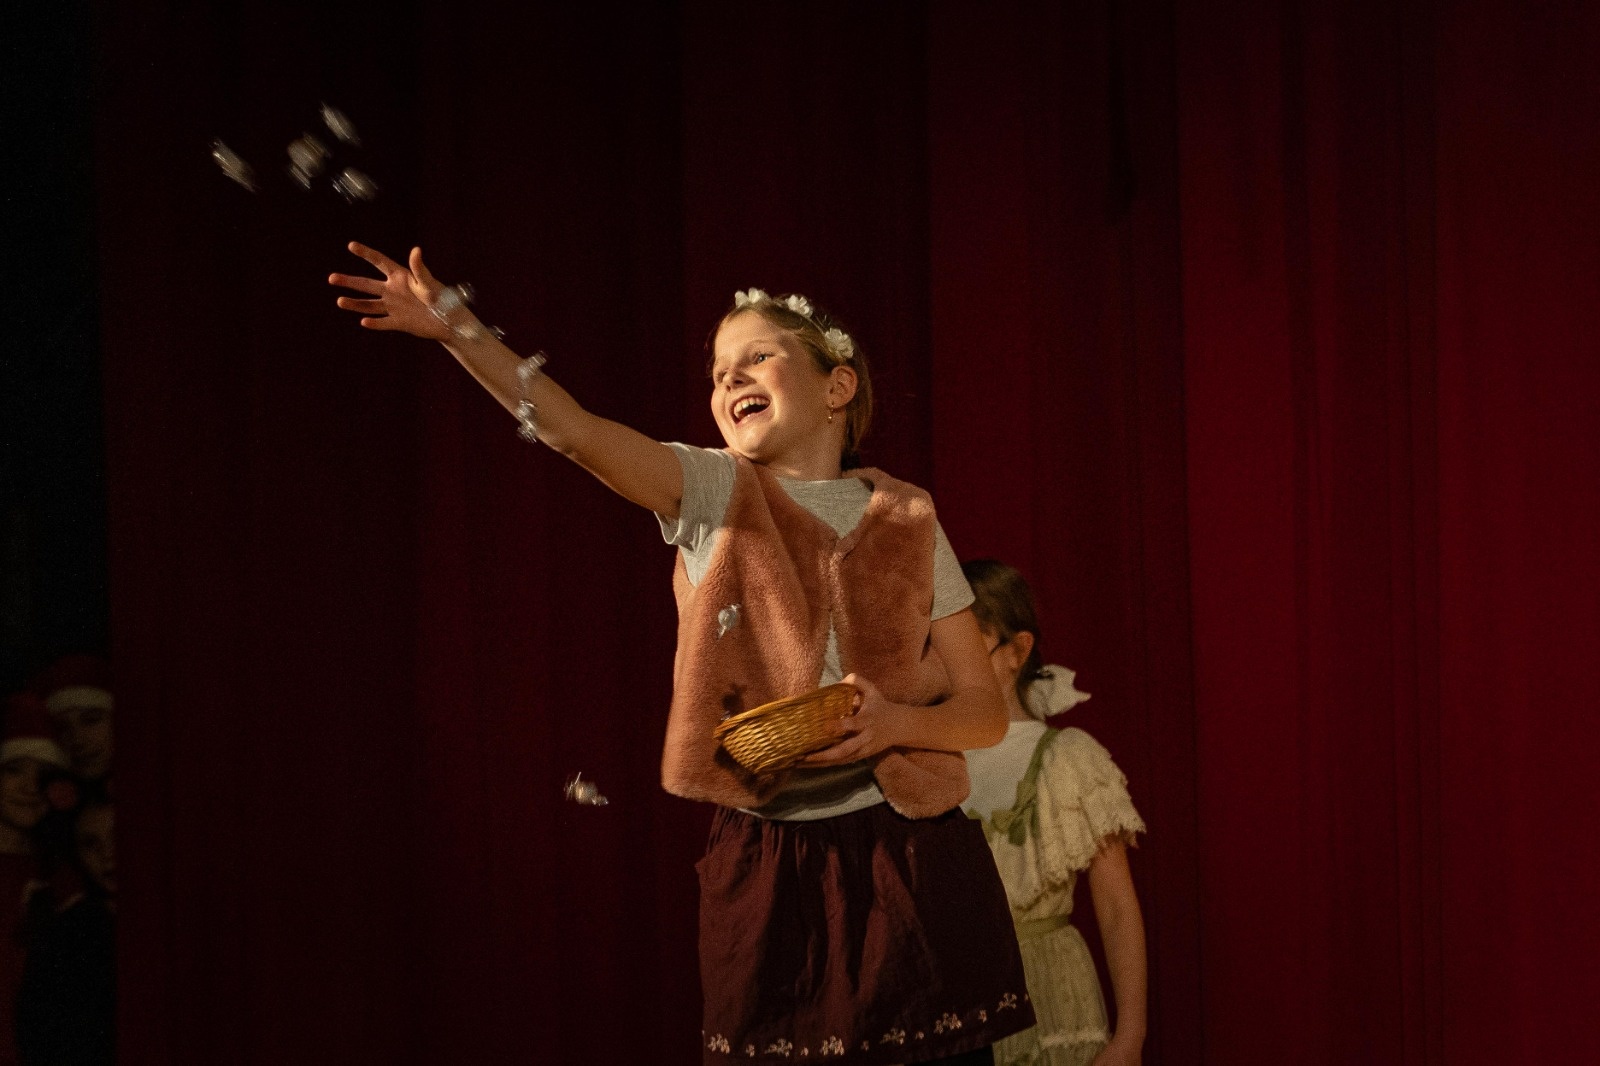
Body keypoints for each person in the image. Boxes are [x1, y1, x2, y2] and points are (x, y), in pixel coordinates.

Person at [330, 246, 1033, 1063]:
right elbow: (573, 432)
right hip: (771, 860)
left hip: (911, 852)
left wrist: (892, 725)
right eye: (719, 372)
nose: (731, 379)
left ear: (837, 386)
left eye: (757, 357)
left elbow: (982, 712)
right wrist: (459, 331)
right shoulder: (712, 489)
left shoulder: (909, 515)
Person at [959, 561, 1147, 1066]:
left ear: (1016, 651)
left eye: (969, 645)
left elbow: (1117, 906)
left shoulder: (1066, 760)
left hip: (1048, 996)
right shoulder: (930, 762)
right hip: (960, 1000)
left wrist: (1130, 1036)